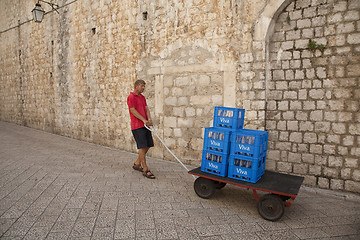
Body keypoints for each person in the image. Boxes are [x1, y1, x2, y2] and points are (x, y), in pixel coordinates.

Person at [127, 79, 155, 179]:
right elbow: (132, 110)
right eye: (142, 86)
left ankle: (137, 163)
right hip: (137, 126)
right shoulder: (131, 97)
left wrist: (149, 119)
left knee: (148, 145)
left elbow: (146, 109)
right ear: (137, 86)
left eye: (144, 86)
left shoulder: (142, 97)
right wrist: (143, 120)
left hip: (145, 125)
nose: (143, 88)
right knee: (142, 147)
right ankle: (145, 169)